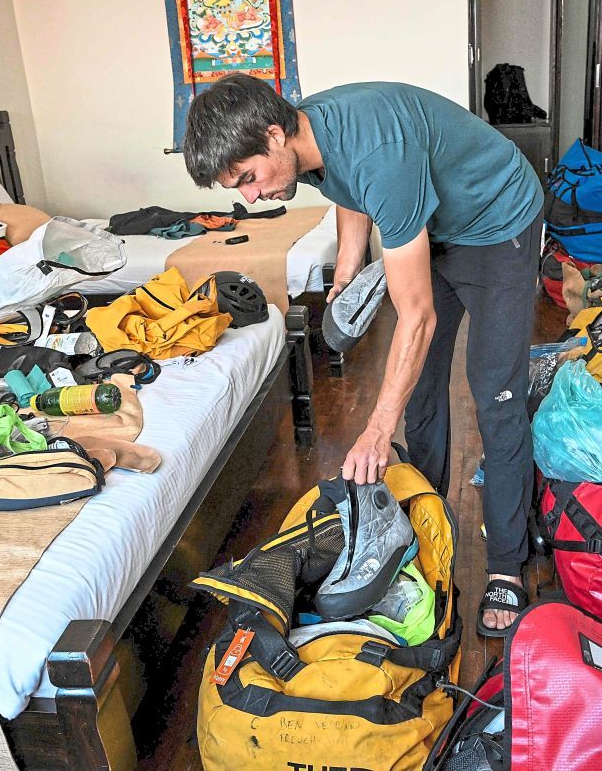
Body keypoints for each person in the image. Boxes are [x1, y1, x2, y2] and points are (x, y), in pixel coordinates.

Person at [182, 74, 543, 636]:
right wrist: (347, 266)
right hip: (438, 226)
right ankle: (425, 525)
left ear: (275, 135)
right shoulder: (312, 137)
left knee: (495, 394)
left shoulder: (381, 153)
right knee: (422, 389)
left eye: (248, 178)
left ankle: (507, 564)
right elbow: (351, 193)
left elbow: (417, 316)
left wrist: (377, 429)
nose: (248, 197)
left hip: (498, 223)